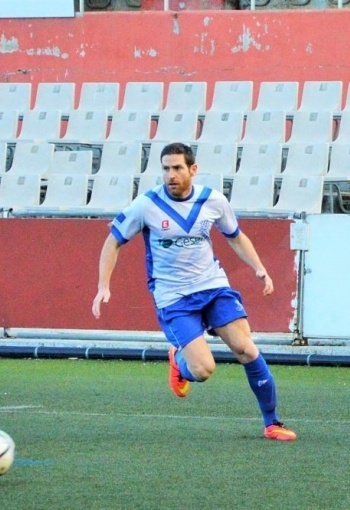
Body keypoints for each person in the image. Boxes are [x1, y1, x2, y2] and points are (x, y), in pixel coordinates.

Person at [91, 142, 297, 441]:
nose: (171, 175)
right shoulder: (146, 205)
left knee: (246, 349)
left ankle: (272, 423)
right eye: (165, 169)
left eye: (177, 168)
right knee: (202, 370)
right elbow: (113, 241)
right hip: (173, 297)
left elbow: (236, 237)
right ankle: (179, 361)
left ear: (193, 169)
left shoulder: (212, 200)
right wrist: (103, 286)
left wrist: (259, 268)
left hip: (212, 286)